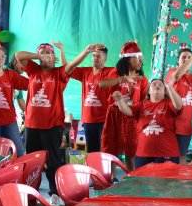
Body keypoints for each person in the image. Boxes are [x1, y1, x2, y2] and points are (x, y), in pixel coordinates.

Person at [15, 42, 69, 206]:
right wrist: (39, 56)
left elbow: (68, 67)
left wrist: (61, 50)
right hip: (32, 124)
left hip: (52, 125)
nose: (45, 55)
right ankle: (32, 194)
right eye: (42, 52)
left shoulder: (58, 73)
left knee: (53, 161)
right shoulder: (33, 70)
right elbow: (18, 55)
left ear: (54, 58)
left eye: (48, 52)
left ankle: (54, 194)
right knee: (32, 162)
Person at [99, 41, 149, 170]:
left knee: (131, 150)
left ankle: (131, 178)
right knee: (111, 148)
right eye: (137, 58)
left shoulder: (142, 78)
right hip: (114, 114)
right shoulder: (116, 73)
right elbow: (102, 84)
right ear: (127, 59)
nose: (140, 61)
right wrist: (123, 79)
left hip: (131, 116)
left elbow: (144, 100)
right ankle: (111, 178)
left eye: (141, 58)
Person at [113, 78, 183, 168]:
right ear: (148, 91)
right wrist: (120, 101)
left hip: (168, 152)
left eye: (160, 85)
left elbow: (179, 105)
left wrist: (169, 87)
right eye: (154, 84)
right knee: (143, 181)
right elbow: (127, 111)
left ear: (165, 92)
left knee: (166, 182)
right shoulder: (141, 105)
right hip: (143, 154)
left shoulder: (169, 104)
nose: (157, 85)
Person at [65, 43, 115, 153]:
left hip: (104, 121)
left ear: (105, 58)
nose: (95, 58)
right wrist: (85, 50)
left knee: (105, 153)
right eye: (93, 55)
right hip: (88, 120)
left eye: (98, 56)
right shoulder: (85, 72)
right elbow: (67, 68)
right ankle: (93, 170)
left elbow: (122, 70)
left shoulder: (110, 72)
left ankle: (106, 171)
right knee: (92, 153)